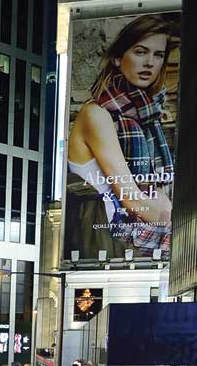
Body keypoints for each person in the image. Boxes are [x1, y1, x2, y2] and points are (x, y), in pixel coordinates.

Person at [64, 14, 178, 257]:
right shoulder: (96, 114)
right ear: (117, 58)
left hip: (129, 236)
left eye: (158, 55)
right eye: (140, 51)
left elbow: (157, 192)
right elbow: (132, 199)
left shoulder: (146, 116)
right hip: (105, 239)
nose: (149, 62)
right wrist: (182, 228)